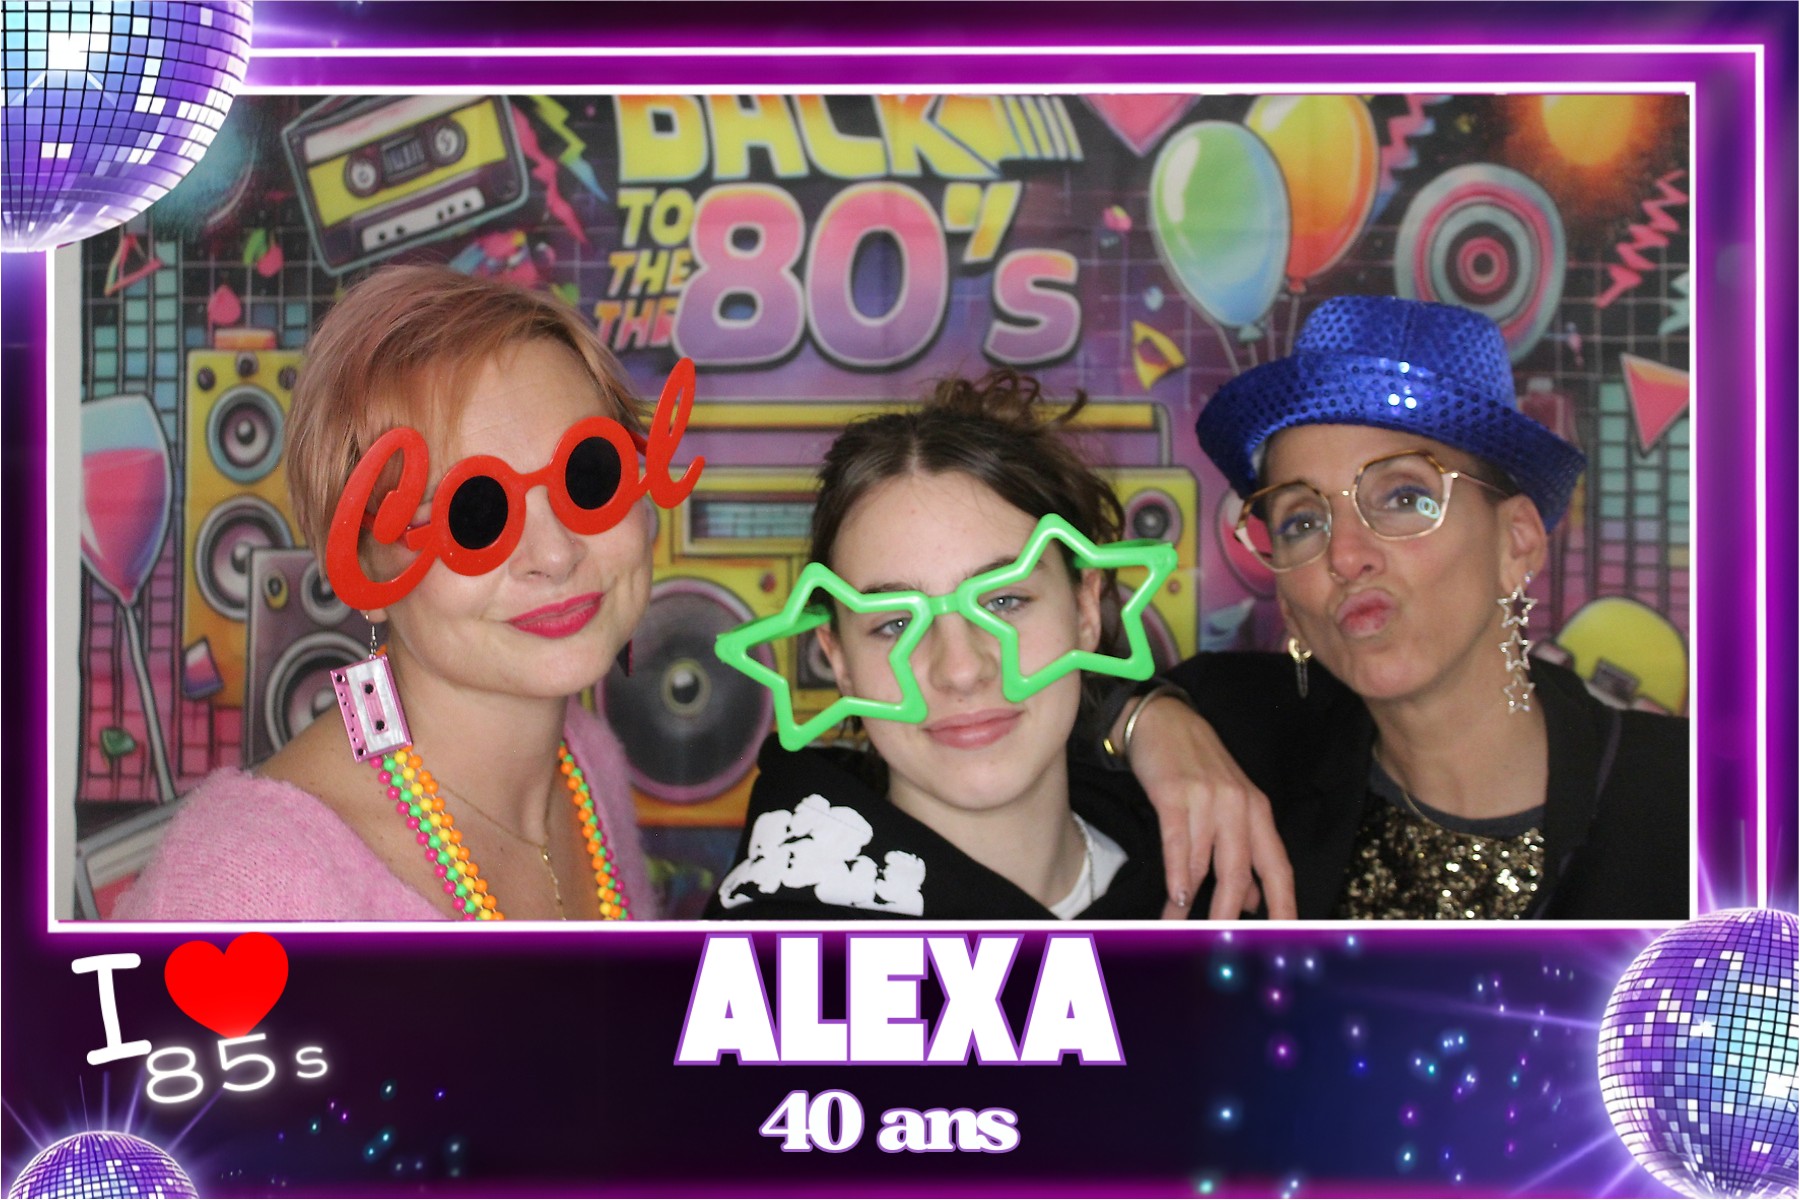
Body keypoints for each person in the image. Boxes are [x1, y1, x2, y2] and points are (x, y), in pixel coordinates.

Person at [115, 266, 682, 920]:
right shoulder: (244, 885)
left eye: (590, 476)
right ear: (363, 569)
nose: (555, 555)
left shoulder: (590, 767)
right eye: (475, 517)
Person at [1123, 295, 1688, 919]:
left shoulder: (1698, 802)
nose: (1345, 556)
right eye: (1302, 521)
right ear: (1285, 593)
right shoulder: (1235, 733)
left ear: (1517, 542)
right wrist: (1143, 724)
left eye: (1404, 498)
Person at [706, 371, 1180, 920]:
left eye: (1004, 600)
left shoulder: (1220, 876)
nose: (960, 670)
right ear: (839, 659)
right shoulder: (769, 956)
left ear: (1085, 611)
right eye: (895, 624)